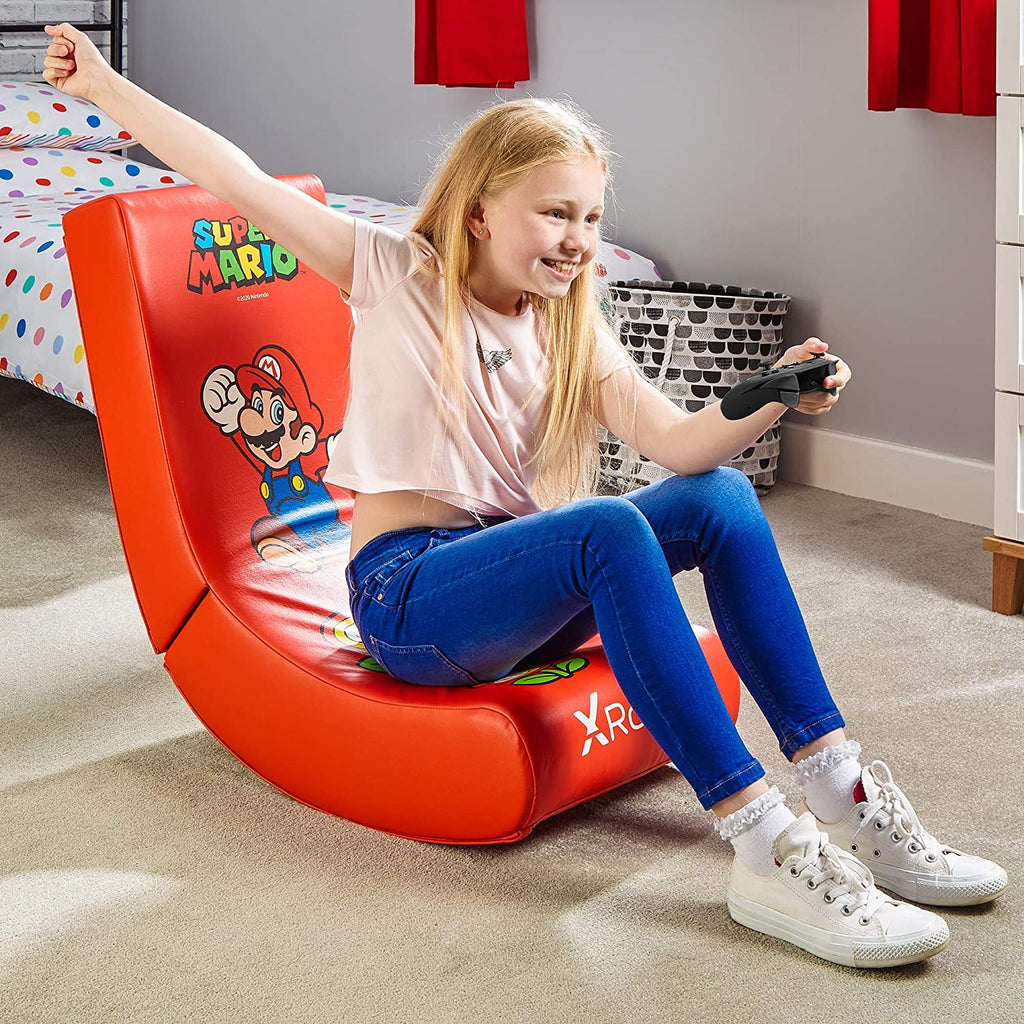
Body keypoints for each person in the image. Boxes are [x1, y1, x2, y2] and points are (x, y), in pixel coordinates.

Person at [43, 23, 1006, 970]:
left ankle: (844, 796)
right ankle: (764, 846)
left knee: (717, 498)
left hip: (525, 598)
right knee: (604, 527)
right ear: (479, 213)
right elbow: (238, 179)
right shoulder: (397, 274)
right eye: (554, 214)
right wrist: (103, 88)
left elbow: (679, 443)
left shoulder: (570, 326)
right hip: (411, 598)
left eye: (589, 218)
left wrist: (773, 392)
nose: (578, 240)